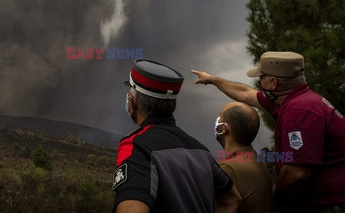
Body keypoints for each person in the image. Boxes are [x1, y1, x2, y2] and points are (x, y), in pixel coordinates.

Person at [192, 51, 345, 212]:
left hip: (329, 206)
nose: (259, 81)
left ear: (273, 82)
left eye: (261, 77)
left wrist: (277, 202)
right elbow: (245, 94)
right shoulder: (293, 99)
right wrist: (214, 80)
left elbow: (297, 174)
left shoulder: (299, 112)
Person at [113, 59, 241, 213]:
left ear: (132, 101)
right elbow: (232, 199)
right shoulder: (201, 150)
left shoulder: (136, 146)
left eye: (129, 94)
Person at [214, 102, 273, 213]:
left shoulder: (227, 169)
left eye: (220, 117)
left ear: (224, 128)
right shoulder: (256, 160)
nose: (217, 121)